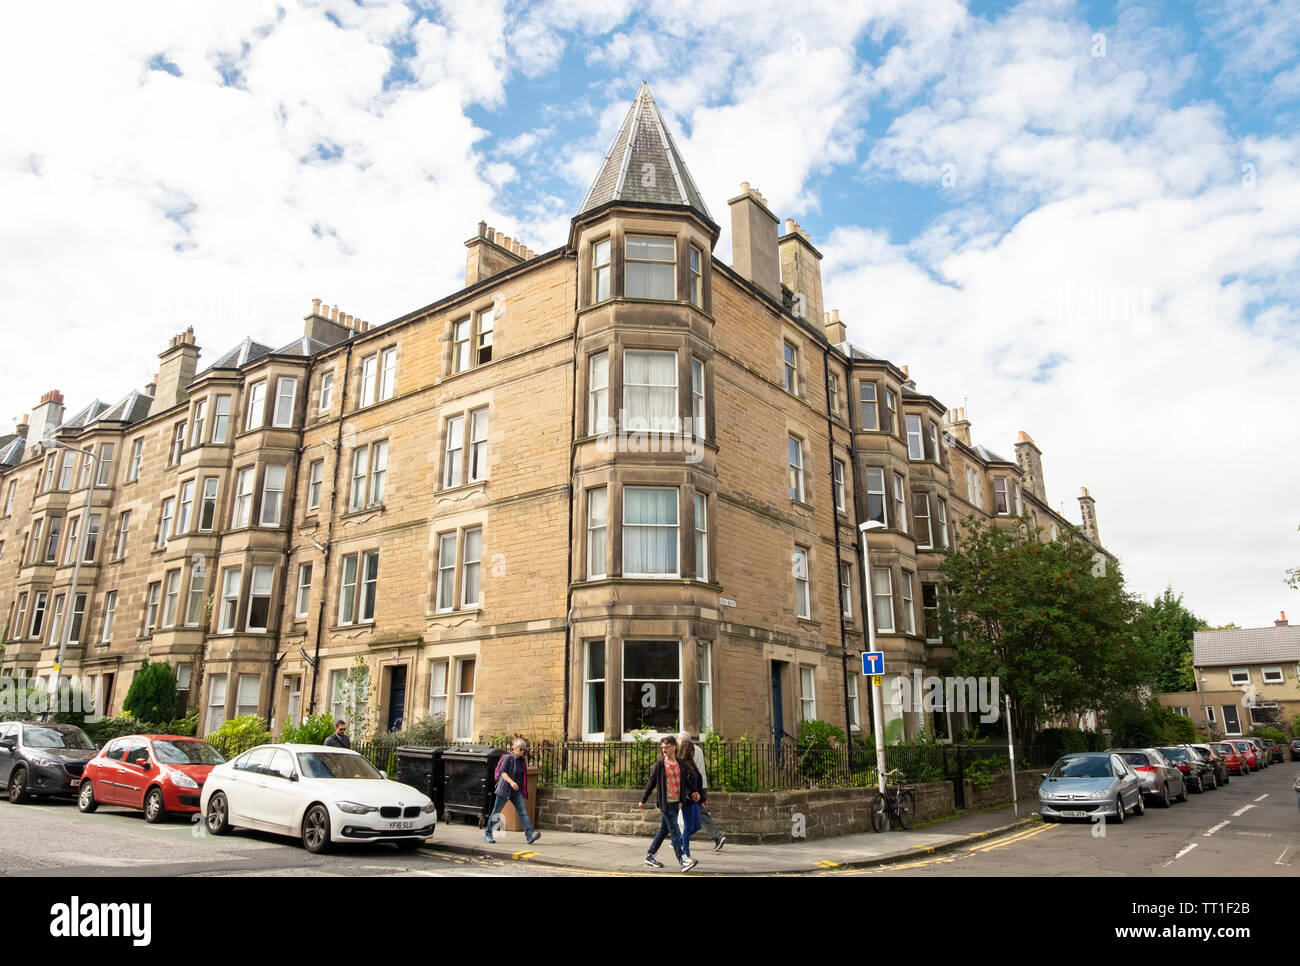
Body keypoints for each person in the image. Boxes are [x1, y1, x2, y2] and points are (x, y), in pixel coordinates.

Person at [638, 735, 699, 871]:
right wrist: (643, 799)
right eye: (662, 748)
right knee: (675, 831)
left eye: (666, 747)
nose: (664, 750)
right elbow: (651, 783)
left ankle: (650, 855)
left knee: (663, 830)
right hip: (666, 803)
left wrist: (694, 791)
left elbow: (686, 780)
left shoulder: (680, 763)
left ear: (674, 747)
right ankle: (682, 860)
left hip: (677, 802)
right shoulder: (660, 764)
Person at [485, 738, 540, 845]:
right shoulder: (508, 758)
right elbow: (503, 773)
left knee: (523, 813)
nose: (522, 751)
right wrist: (512, 782)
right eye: (520, 749)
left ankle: (529, 835)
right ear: (514, 748)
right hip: (505, 789)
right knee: (496, 812)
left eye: (523, 749)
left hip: (516, 791)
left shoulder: (522, 761)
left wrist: (518, 786)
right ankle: (488, 833)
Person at [678, 730, 726, 851]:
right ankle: (679, 840)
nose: (677, 742)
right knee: (691, 814)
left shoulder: (685, 751)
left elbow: (687, 771)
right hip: (700, 785)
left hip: (692, 788)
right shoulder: (698, 749)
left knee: (699, 814)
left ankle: (717, 836)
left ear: (683, 741)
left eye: (678, 740)